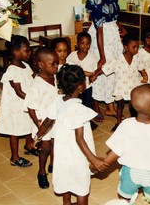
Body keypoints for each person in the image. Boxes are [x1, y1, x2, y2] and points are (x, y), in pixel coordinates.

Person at [35, 64, 108, 205]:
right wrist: (94, 160)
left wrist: (37, 136)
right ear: (81, 86)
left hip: (62, 152)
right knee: (81, 187)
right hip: (78, 155)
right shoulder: (79, 109)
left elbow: (47, 122)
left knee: (66, 180)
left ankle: (67, 203)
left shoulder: (57, 102)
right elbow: (79, 139)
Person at [85, 0, 127, 118]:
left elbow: (114, 17)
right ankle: (100, 105)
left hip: (112, 34)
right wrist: (102, 55)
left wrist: (121, 27)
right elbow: (99, 29)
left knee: (114, 68)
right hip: (100, 36)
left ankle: (110, 103)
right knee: (102, 67)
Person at [92, 34, 147, 131]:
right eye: (134, 47)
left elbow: (141, 68)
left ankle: (135, 121)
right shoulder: (117, 59)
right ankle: (118, 122)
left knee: (133, 105)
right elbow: (105, 69)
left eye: (137, 47)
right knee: (120, 105)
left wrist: (144, 75)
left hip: (134, 85)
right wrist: (95, 74)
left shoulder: (137, 57)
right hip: (121, 86)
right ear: (125, 47)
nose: (136, 49)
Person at [0, 35, 35, 168]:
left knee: (29, 124)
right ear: (15, 51)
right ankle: (14, 157)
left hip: (25, 103)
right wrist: (34, 100)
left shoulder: (25, 65)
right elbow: (19, 92)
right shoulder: (12, 70)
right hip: (15, 107)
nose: (29, 53)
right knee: (15, 131)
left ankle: (29, 144)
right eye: (26, 50)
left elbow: (31, 82)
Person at [25, 47, 59, 188]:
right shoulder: (36, 85)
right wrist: (38, 124)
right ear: (40, 65)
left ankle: (53, 164)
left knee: (55, 144)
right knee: (45, 148)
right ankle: (41, 172)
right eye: (53, 64)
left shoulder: (53, 77)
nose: (56, 66)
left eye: (57, 63)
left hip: (54, 119)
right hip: (42, 121)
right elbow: (30, 107)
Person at [67, 32, 104, 123]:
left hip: (87, 86)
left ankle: (87, 120)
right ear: (77, 44)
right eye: (82, 43)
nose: (85, 46)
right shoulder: (72, 56)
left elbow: (94, 72)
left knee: (87, 103)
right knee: (74, 103)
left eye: (88, 44)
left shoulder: (92, 57)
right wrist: (86, 73)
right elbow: (69, 69)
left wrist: (91, 75)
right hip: (74, 87)